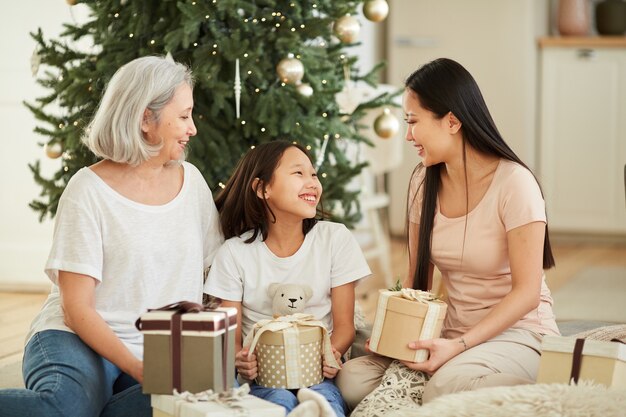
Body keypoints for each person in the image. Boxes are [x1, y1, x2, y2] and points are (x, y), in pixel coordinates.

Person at [0, 56, 223, 417]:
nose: (193, 128)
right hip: (79, 338)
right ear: (144, 118)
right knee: (63, 408)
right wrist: (140, 370)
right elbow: (76, 310)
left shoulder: (191, 182)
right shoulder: (88, 190)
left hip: (162, 349)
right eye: (183, 116)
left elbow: (217, 274)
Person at [336, 57, 560, 411]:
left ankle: (552, 384)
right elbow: (417, 279)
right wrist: (393, 333)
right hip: (447, 332)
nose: (407, 135)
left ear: (452, 121)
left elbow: (527, 293)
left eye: (413, 122)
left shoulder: (515, 184)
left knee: (443, 389)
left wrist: (460, 346)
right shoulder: (423, 182)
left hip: (519, 333)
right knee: (350, 380)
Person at [205, 141, 371, 417]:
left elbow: (344, 327)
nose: (312, 183)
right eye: (298, 174)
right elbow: (232, 339)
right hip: (262, 381)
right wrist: (241, 360)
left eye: (314, 174)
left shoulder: (334, 239)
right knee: (277, 401)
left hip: (318, 377)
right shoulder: (234, 253)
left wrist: (332, 353)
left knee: (324, 400)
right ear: (262, 188)